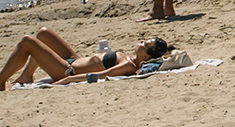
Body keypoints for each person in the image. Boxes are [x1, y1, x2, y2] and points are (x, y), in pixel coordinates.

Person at [2, 29, 178, 88]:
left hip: (67, 70)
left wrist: (67, 80)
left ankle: (1, 81)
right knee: (43, 33)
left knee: (27, 41)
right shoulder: (129, 58)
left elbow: (100, 76)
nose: (140, 42)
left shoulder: (128, 66)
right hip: (73, 60)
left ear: (145, 55)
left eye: (144, 44)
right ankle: (27, 75)